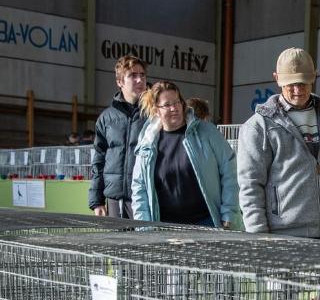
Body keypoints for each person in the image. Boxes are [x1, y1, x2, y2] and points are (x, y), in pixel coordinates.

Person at [237, 47, 320, 240]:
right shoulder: (259, 126)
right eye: (290, 84)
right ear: (276, 78)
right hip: (283, 236)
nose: (297, 90)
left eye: (303, 82)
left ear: (315, 77)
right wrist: (258, 235)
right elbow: (250, 184)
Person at [131, 81, 241, 229]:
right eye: (167, 104)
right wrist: (143, 226)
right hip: (164, 228)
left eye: (177, 102)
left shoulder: (207, 132)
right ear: (156, 110)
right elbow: (139, 187)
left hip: (207, 223)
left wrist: (229, 212)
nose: (174, 108)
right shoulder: (147, 142)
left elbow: (229, 170)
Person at [88, 55, 148, 218]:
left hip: (146, 198)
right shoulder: (106, 118)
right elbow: (99, 160)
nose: (139, 80)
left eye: (142, 75)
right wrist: (97, 200)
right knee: (118, 243)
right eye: (132, 76)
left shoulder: (154, 114)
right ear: (120, 82)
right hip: (115, 199)